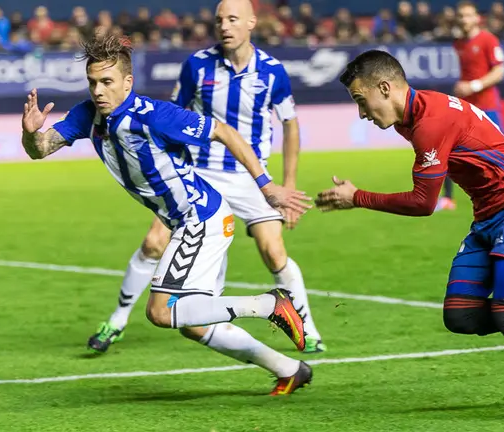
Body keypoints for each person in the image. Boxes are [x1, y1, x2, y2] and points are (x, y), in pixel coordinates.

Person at [315, 50, 504, 424]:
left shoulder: (428, 123)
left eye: (361, 101)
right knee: (460, 315)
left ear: (385, 88)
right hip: (489, 214)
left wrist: (358, 198)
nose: (362, 113)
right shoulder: (415, 114)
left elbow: (423, 203)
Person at [20, 30, 313, 395]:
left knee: (161, 311)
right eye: (93, 82)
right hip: (188, 222)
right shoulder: (87, 115)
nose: (98, 90)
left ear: (127, 82)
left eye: (107, 82)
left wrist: (267, 186)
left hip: (200, 220)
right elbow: (41, 149)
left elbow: (224, 132)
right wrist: (31, 134)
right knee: (196, 324)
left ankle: (270, 304)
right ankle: (288, 369)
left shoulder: (153, 115)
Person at [87, 0, 327, 355]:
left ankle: (307, 327)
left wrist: (287, 184)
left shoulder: (273, 72)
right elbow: (172, 117)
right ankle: (118, 320)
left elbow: (290, 125)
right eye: (219, 20)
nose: (225, 26)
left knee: (274, 252)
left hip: (249, 175)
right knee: (154, 242)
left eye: (232, 19)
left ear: (251, 22)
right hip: (202, 174)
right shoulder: (197, 66)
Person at [437, 1, 504, 212]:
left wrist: (473, 85)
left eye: (468, 15)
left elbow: (499, 71)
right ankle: (448, 198)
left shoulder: (488, 40)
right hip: (465, 108)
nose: (464, 19)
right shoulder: (458, 43)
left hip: (487, 107)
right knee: (446, 149)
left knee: (498, 156)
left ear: (477, 18)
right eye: (461, 16)